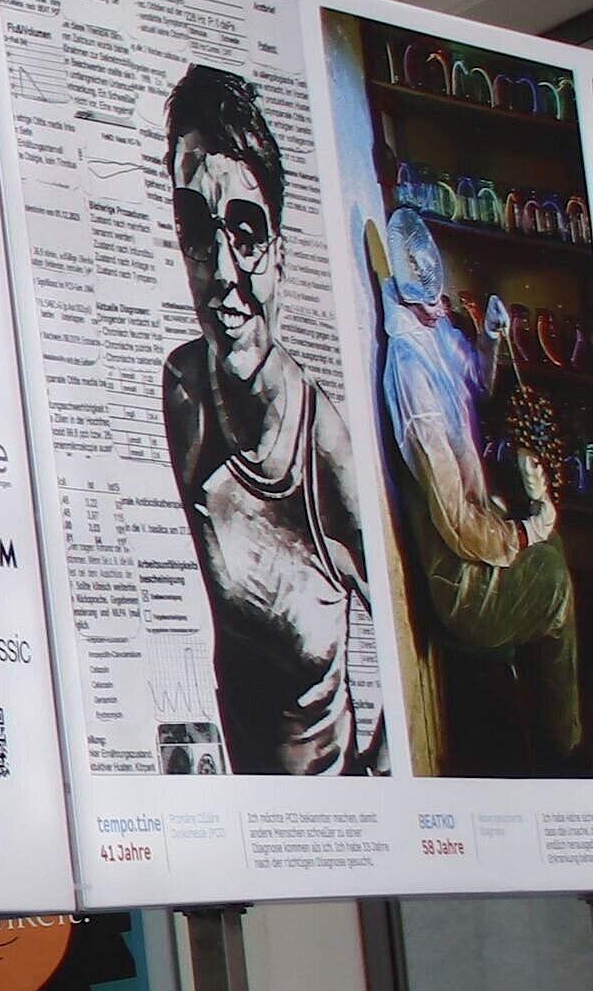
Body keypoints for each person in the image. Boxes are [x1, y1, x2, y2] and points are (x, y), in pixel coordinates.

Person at [157, 66, 386, 775]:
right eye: (198, 230)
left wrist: (378, 797)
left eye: (247, 233)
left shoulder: (329, 451)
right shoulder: (183, 392)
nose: (223, 271)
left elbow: (411, 668)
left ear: (280, 253)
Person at [379, 206, 584, 768]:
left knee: (555, 558)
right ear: (406, 280)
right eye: (427, 284)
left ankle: (550, 732)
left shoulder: (433, 328)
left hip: (473, 539)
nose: (439, 298)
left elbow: (475, 380)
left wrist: (494, 338)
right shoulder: (411, 374)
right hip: (459, 579)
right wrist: (520, 534)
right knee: (558, 585)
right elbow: (457, 525)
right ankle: (562, 751)